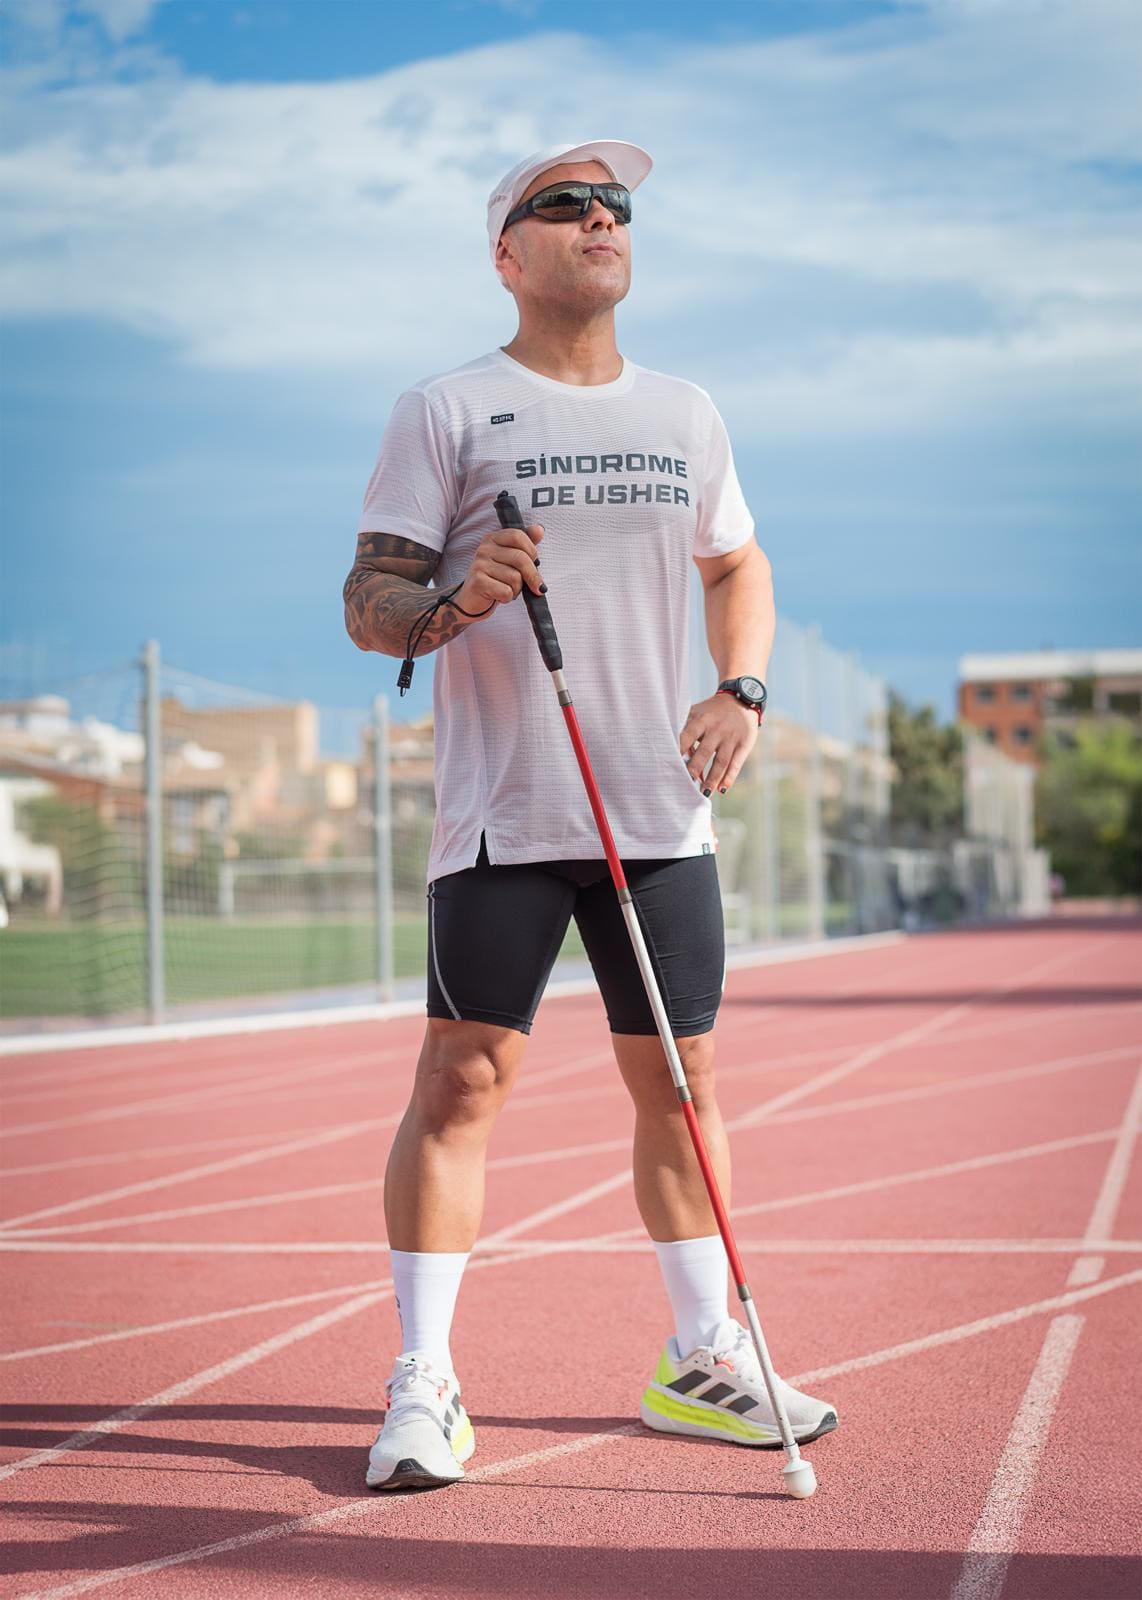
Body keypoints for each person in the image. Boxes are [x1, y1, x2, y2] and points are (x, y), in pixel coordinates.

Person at [344, 140, 837, 1490]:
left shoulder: (686, 411)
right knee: (461, 1084)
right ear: (508, 256)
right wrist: (456, 601)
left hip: (660, 818)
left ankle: (700, 1360)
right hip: (504, 817)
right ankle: (423, 1385)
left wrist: (738, 687)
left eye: (614, 205)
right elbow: (367, 601)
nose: (598, 219)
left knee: (681, 1092)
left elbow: (736, 561)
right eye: (560, 204)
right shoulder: (444, 409)